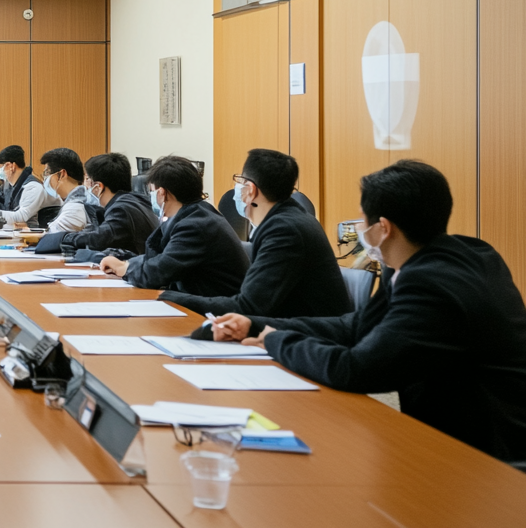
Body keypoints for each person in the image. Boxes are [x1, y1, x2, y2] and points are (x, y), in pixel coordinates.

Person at [211, 160, 526, 464]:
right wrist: (255, 324)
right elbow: (357, 327)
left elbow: (356, 370)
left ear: (384, 228)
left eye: (363, 221)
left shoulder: (428, 284)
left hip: (487, 459)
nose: (359, 229)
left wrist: (277, 342)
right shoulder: (461, 253)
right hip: (455, 439)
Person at [162, 149, 351, 318]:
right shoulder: (286, 219)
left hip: (309, 340)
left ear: (250, 190)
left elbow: (249, 307)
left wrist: (172, 298)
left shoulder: (284, 231)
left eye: (241, 181)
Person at [99, 155, 248, 297]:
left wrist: (123, 268)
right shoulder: (193, 214)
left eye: (152, 191)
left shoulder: (195, 225)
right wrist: (127, 263)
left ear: (162, 193)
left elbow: (157, 273)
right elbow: (160, 258)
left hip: (218, 314)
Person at [59, 152, 157, 255]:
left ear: (98, 187)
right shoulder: (138, 201)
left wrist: (61, 238)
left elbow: (98, 238)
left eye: (88, 180)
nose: (85, 187)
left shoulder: (121, 209)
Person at [33, 147, 91, 233]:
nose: (45, 179)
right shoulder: (75, 200)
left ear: (62, 174)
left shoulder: (76, 207)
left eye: (47, 173)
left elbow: (52, 236)